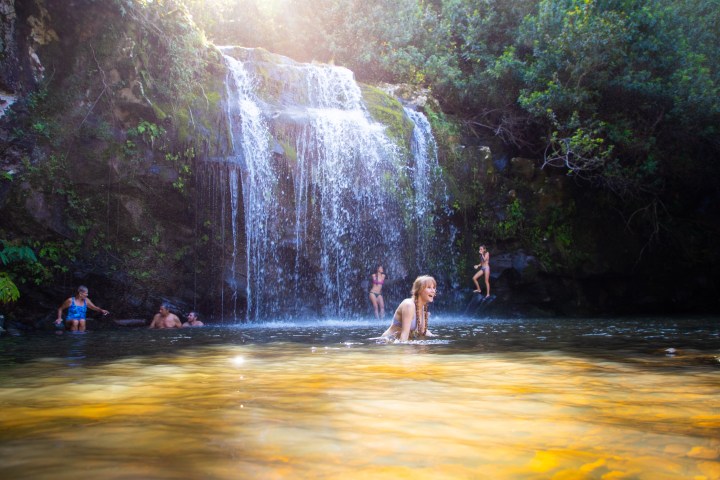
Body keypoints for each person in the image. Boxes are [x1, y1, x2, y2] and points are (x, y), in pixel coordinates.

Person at [379, 275, 436, 342]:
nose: (433, 291)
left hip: (397, 342)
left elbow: (422, 332)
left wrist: (438, 339)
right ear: (419, 290)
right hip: (387, 343)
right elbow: (404, 335)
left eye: (434, 288)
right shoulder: (409, 305)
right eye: (429, 287)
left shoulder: (423, 307)